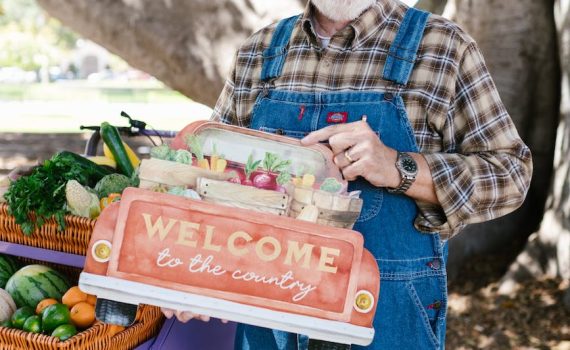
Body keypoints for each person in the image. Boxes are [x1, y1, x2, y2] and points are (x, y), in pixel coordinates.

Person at [165, 0, 533, 349]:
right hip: (267, 317)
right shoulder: (259, 52)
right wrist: (196, 279)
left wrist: (398, 167)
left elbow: (510, 174)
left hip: (386, 318)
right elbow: (208, 178)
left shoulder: (442, 47)